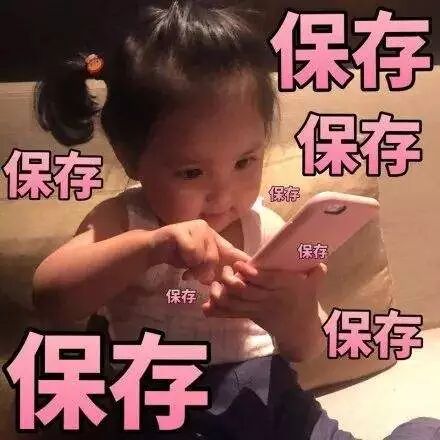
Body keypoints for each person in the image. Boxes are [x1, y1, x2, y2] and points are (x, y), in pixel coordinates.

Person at [32, 1, 440, 439]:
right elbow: (52, 296)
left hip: (275, 406)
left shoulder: (266, 227)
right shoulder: (126, 219)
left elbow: (305, 349)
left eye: (245, 161)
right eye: (192, 172)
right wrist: (151, 248)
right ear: (130, 158)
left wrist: (293, 314)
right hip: (167, 405)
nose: (224, 196)